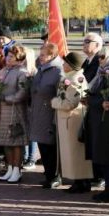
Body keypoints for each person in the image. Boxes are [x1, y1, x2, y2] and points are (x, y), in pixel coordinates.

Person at [86, 46, 109, 202]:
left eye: (102, 57)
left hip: (107, 120)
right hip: (98, 118)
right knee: (101, 155)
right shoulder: (101, 73)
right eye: (99, 57)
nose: (100, 59)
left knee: (108, 155)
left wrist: (92, 100)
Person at [52, 51, 93, 192]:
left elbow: (70, 103)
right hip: (68, 120)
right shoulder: (70, 77)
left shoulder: (75, 79)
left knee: (75, 152)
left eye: (66, 63)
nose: (63, 65)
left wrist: (54, 102)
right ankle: (79, 180)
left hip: (72, 119)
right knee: (71, 152)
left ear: (72, 66)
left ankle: (81, 180)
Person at [29, 42, 64, 188]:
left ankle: (56, 176)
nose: (40, 57)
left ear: (52, 55)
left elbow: (60, 93)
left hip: (50, 113)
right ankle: (48, 174)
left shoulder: (58, 71)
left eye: (43, 55)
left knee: (52, 147)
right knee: (42, 145)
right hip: (38, 112)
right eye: (40, 54)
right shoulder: (41, 69)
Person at [0, 45, 30, 183]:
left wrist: (8, 99)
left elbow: (23, 93)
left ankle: (17, 170)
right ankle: (9, 168)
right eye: (7, 56)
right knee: (6, 142)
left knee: (16, 142)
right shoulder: (3, 70)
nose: (8, 59)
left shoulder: (22, 72)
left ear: (19, 58)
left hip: (15, 111)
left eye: (11, 57)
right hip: (2, 111)